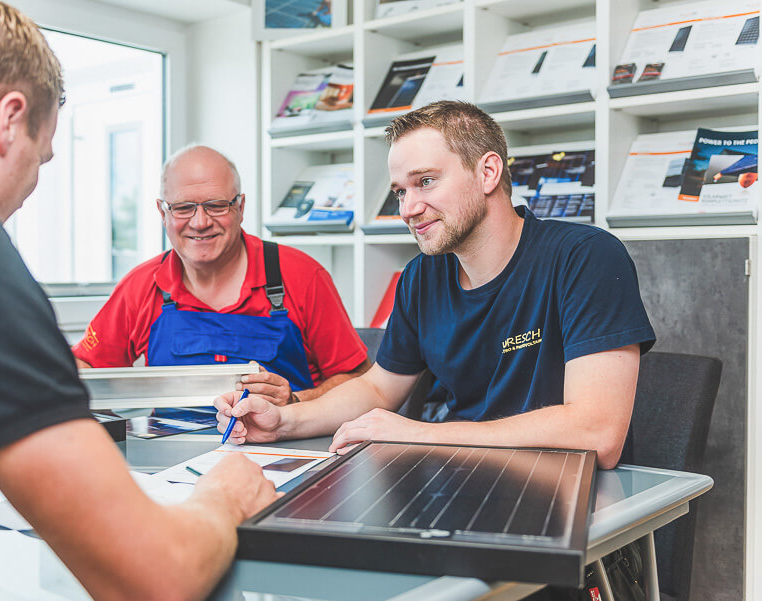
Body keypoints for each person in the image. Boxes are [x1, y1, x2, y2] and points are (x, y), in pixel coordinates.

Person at [0, 2, 277, 600]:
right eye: (42, 157)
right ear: (10, 119)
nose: (32, 187)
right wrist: (225, 493)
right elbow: (150, 576)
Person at [214, 100, 656, 470]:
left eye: (425, 181)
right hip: (458, 476)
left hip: (563, 495)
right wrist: (283, 421)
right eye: (400, 192)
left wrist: (424, 435)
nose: (408, 208)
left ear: (487, 173)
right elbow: (377, 388)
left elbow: (599, 433)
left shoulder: (585, 256)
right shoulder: (421, 277)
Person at [72, 144, 371, 407]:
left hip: (287, 452)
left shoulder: (303, 275)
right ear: (162, 213)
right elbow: (85, 366)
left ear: (240, 208)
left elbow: (359, 380)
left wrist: (295, 400)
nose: (200, 222)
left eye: (216, 206)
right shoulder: (140, 286)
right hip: (170, 462)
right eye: (183, 208)